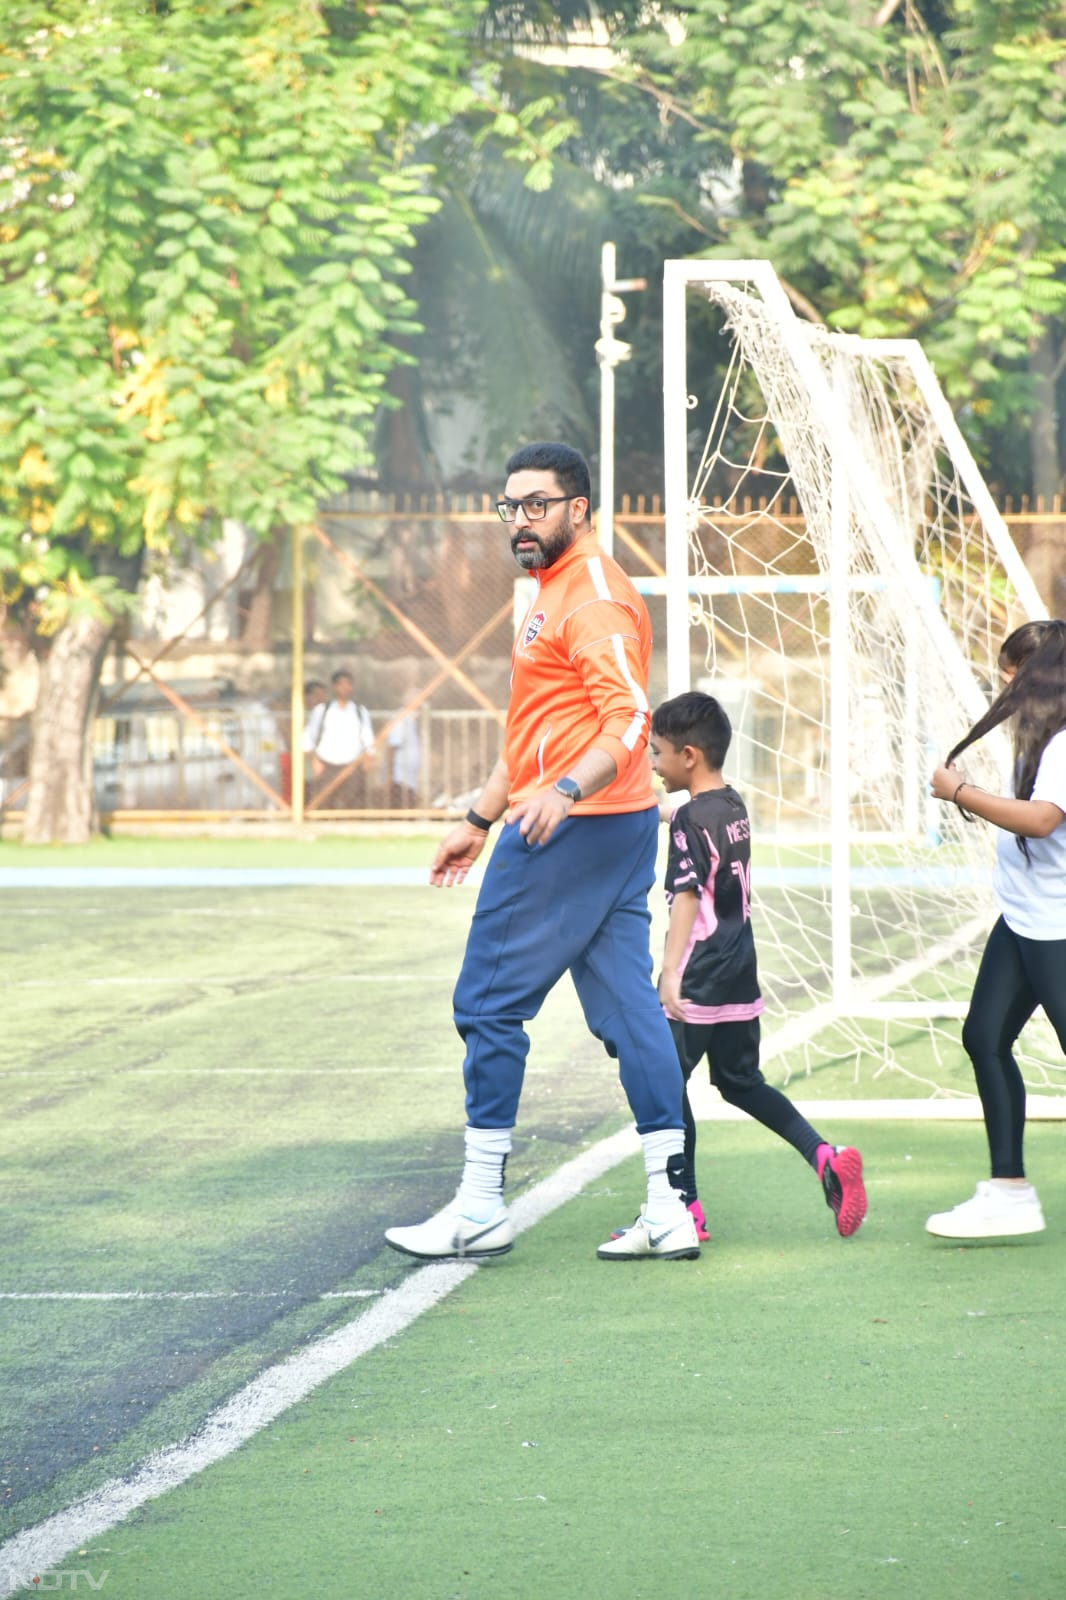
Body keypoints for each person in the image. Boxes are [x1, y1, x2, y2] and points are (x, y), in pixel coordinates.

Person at [385, 441, 700, 1264]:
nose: (520, 520)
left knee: (487, 1005)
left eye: (537, 505)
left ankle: (480, 1203)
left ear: (579, 510)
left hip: (573, 828)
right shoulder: (551, 590)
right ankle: (670, 1207)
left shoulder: (588, 596)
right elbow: (534, 733)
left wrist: (561, 794)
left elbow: (631, 720)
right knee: (630, 1014)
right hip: (610, 825)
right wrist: (478, 817)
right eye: (510, 506)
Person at [643, 689, 868, 1240]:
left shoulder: (686, 824)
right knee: (740, 1081)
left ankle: (683, 1207)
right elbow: (692, 816)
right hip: (739, 969)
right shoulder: (734, 805)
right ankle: (824, 1156)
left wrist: (670, 973)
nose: (653, 764)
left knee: (664, 1089)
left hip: (696, 973)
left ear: (688, 756)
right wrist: (656, 806)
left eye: (658, 754)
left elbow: (688, 898)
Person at [926, 618, 1066, 1240]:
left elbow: (1040, 820)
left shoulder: (1064, 743)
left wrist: (961, 793)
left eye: (1008, 676)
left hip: (1058, 928)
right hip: (1024, 919)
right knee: (984, 1037)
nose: (999, 688)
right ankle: (1009, 1190)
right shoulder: (1034, 739)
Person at [302, 668, 375, 809]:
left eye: (349, 684)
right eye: (341, 684)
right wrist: (315, 762)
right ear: (334, 687)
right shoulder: (322, 710)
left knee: (354, 806)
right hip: (327, 766)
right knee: (324, 805)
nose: (346, 688)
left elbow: (369, 740)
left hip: (353, 766)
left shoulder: (360, 711)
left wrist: (368, 761)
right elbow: (307, 739)